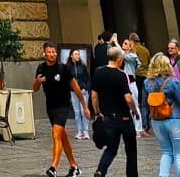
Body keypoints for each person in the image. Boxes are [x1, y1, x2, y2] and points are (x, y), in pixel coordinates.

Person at [33, 42, 87, 177]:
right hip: (50, 107)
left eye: (54, 52)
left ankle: (53, 167)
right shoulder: (41, 68)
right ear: (44, 53)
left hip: (63, 106)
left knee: (56, 134)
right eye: (49, 52)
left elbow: (76, 88)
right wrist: (37, 82)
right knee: (63, 137)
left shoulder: (63, 69)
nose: (52, 54)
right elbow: (34, 88)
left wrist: (85, 106)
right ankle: (74, 167)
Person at [142, 54, 180, 177]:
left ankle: (163, 175)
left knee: (166, 152)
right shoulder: (173, 82)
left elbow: (144, 105)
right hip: (175, 120)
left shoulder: (147, 82)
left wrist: (145, 125)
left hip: (156, 121)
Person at [90, 46, 138, 177]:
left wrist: (97, 112)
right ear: (119, 59)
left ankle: (101, 170)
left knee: (111, 149)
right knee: (131, 150)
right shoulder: (121, 74)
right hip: (124, 118)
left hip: (108, 118)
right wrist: (135, 111)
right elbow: (128, 98)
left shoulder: (98, 72)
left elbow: (94, 95)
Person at [67, 49, 92, 141]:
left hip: (83, 91)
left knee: (83, 111)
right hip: (73, 92)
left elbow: (88, 78)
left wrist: (86, 87)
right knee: (77, 112)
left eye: (78, 54)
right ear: (71, 56)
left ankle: (85, 131)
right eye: (76, 54)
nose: (78, 56)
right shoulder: (68, 67)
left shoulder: (83, 66)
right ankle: (79, 131)